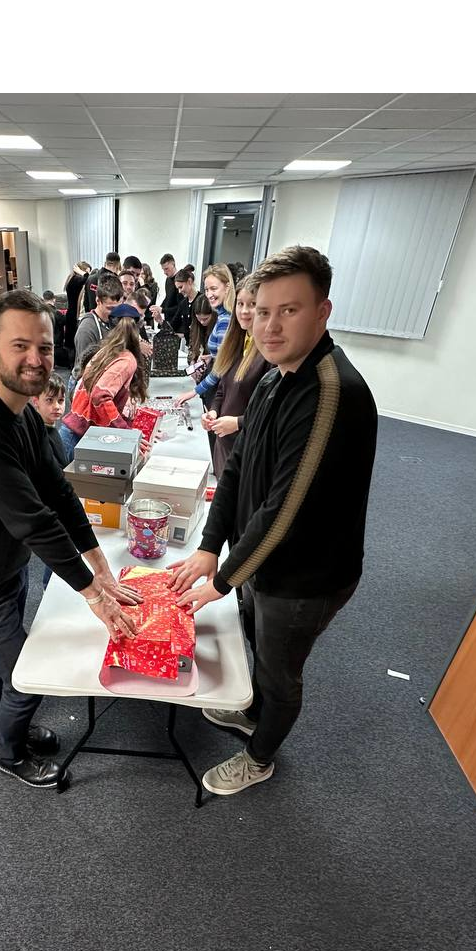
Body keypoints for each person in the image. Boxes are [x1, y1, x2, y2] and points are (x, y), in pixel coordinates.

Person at [169, 246, 378, 797]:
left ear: (322, 312)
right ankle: (253, 712)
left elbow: (286, 511)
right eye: (262, 311)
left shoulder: (330, 392)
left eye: (289, 310)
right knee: (258, 650)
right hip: (264, 559)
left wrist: (221, 579)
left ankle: (260, 757)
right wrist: (210, 545)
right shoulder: (275, 376)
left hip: (306, 576)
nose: (270, 325)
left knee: (279, 672)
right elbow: (237, 468)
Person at [0, 289, 141, 789]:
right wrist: (94, 595)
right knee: (27, 673)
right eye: (19, 346)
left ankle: (2, 726)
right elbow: (34, 521)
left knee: (0, 662)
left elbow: (58, 492)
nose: (35, 359)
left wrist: (101, 568)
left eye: (43, 347)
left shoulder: (22, 412)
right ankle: (11, 753)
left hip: (6, 565)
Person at [58, 308, 150, 462]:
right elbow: (100, 395)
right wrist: (125, 432)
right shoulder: (127, 360)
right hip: (80, 439)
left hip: (72, 432)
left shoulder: (105, 352)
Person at [202, 275, 266, 478]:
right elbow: (222, 389)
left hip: (247, 449)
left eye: (252, 304)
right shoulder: (235, 343)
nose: (244, 311)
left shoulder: (268, 353)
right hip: (224, 444)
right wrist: (213, 412)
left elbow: (268, 413)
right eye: (240, 304)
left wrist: (238, 423)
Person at [174, 264, 235, 408]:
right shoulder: (223, 316)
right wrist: (211, 358)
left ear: (227, 287)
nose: (209, 294)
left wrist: (194, 391)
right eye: (207, 289)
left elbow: (221, 368)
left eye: (214, 288)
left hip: (221, 391)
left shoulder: (225, 320)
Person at [31, 371, 68, 586]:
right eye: (50, 400)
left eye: (61, 401)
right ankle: (47, 587)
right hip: (48, 505)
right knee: (56, 550)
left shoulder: (53, 431)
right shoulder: (39, 434)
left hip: (55, 501)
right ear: (35, 401)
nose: (57, 406)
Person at [72, 272, 122, 387]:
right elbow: (84, 371)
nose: (114, 312)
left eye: (116, 308)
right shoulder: (87, 329)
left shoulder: (113, 321)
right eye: (109, 308)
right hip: (86, 383)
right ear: (98, 301)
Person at [63, 260, 92, 360]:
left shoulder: (72, 279)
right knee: (75, 345)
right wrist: (83, 273)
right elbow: (89, 279)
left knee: (72, 345)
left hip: (71, 313)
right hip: (75, 315)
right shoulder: (77, 280)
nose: (89, 273)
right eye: (87, 271)